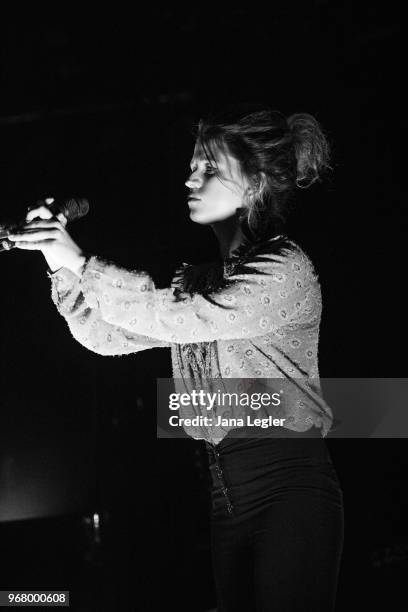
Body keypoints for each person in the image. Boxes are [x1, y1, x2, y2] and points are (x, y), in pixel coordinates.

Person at [8, 107, 344, 611]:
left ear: (254, 185)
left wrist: (80, 261)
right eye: (192, 165)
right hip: (223, 495)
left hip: (288, 489)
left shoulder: (284, 269)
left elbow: (172, 316)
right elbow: (107, 335)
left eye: (209, 167)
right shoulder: (200, 281)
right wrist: (60, 263)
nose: (190, 177)